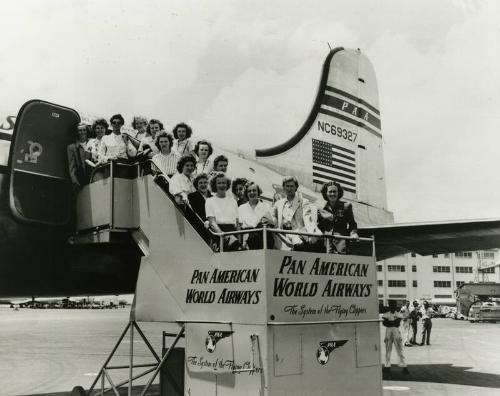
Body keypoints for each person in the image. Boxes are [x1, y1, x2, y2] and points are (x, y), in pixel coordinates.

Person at [272, 176, 319, 251]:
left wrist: (310, 234)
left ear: (296, 188)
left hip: (299, 236)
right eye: (287, 186)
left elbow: (308, 219)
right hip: (283, 235)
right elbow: (273, 216)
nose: (289, 189)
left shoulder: (304, 202)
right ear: (283, 188)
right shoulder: (278, 203)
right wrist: (276, 227)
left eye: (291, 186)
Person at [317, 181, 358, 254]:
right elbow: (318, 226)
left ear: (338, 193)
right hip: (325, 244)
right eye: (330, 192)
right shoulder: (321, 208)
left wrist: (353, 233)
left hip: (341, 245)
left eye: (334, 191)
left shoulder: (346, 206)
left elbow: (352, 224)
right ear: (326, 194)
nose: (332, 194)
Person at [205, 172, 241, 251]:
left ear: (227, 184)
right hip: (219, 234)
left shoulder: (233, 201)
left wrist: (239, 240)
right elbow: (212, 223)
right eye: (219, 183)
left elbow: (237, 223)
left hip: (232, 234)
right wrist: (223, 236)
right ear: (215, 185)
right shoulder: (210, 201)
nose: (222, 185)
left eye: (224, 183)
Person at [238, 182, 274, 249]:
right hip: (248, 241)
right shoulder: (241, 208)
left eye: (254, 190)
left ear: (258, 192)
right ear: (246, 193)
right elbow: (239, 227)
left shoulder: (266, 206)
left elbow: (272, 223)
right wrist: (240, 244)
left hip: (264, 239)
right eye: (249, 191)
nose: (252, 193)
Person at [382, 300, 409, 374]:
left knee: (399, 349)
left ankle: (403, 366)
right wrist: (393, 322)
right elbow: (385, 323)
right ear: (389, 306)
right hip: (388, 332)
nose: (393, 307)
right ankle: (387, 366)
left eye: (394, 305)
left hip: (396, 332)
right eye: (391, 305)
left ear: (396, 306)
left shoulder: (398, 314)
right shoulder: (386, 314)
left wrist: (390, 322)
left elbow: (397, 324)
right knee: (388, 349)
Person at [67, 123, 93, 189]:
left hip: (92, 178)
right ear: (77, 132)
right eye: (80, 130)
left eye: (84, 130)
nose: (82, 132)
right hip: (80, 179)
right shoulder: (72, 147)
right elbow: (71, 167)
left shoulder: (93, 143)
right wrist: (75, 182)